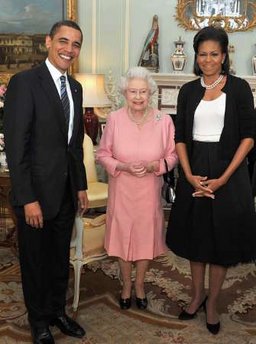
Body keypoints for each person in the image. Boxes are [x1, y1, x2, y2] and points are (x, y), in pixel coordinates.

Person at [166, 26, 256, 335]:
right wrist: (188, 175)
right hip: (195, 171)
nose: (207, 60)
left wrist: (223, 178)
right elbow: (179, 137)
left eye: (214, 54)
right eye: (202, 54)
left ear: (224, 55)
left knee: (221, 243)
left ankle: (213, 303)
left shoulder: (240, 88)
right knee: (196, 239)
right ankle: (196, 296)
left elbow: (248, 138)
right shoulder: (188, 90)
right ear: (196, 56)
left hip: (229, 173)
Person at [4, 20, 88, 344]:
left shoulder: (76, 88)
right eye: (63, 41)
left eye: (76, 44)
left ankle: (57, 312)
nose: (69, 49)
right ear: (48, 42)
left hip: (65, 193)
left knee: (58, 260)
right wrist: (27, 198)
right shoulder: (25, 83)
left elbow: (74, 144)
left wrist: (80, 185)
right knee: (35, 262)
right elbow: (16, 145)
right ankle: (38, 320)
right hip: (36, 196)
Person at [96, 66, 178, 311]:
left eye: (143, 91)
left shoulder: (163, 121)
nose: (138, 96)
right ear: (124, 93)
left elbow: (172, 157)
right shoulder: (114, 119)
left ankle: (139, 285)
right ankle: (126, 286)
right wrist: (123, 166)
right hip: (122, 188)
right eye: (133, 91)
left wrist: (156, 165)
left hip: (149, 190)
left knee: (145, 238)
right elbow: (102, 154)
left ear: (150, 92)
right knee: (122, 238)